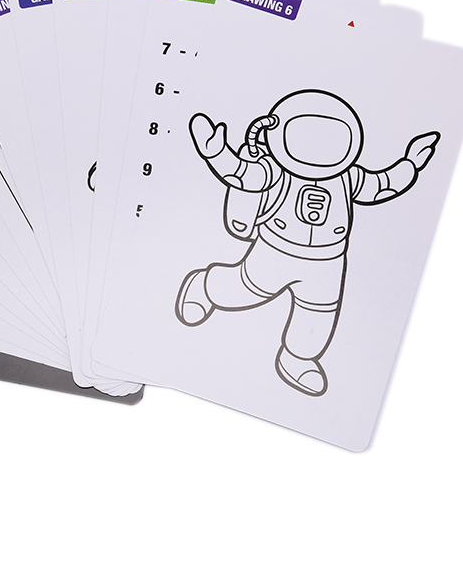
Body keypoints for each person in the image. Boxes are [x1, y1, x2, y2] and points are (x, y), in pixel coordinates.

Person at [175, 89, 439, 396]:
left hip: (327, 264)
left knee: (318, 315)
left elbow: (383, 184)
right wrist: (216, 153)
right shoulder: (275, 172)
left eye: (333, 137)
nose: (318, 149)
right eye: (303, 134)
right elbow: (242, 174)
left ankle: (298, 358)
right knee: (241, 290)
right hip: (275, 251)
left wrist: (410, 164)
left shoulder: (349, 178)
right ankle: (205, 286)